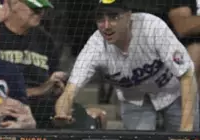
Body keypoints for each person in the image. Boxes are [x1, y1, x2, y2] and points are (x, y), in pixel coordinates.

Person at [55, 0, 199, 132]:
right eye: (100, 19)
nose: (106, 26)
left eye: (114, 17)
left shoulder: (153, 28)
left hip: (173, 93)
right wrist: (61, 112)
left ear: (129, 16)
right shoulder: (95, 47)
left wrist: (186, 130)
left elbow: (186, 75)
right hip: (135, 102)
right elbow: (69, 91)